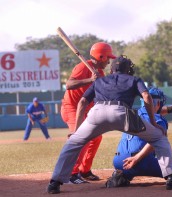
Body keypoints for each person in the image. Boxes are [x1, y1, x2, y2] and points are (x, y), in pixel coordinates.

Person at [47, 55, 172, 194]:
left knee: (73, 143)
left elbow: (83, 102)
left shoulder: (100, 81)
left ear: (111, 70)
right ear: (128, 70)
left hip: (97, 113)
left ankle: (54, 183)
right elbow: (146, 96)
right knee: (159, 137)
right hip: (122, 113)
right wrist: (153, 122)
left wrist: (76, 130)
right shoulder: (134, 79)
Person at [60, 42, 116, 184]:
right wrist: (90, 79)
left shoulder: (100, 73)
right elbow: (69, 84)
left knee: (96, 137)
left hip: (86, 108)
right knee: (81, 138)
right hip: (71, 107)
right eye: (107, 58)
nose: (109, 61)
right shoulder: (82, 67)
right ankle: (71, 174)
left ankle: (84, 170)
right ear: (101, 56)